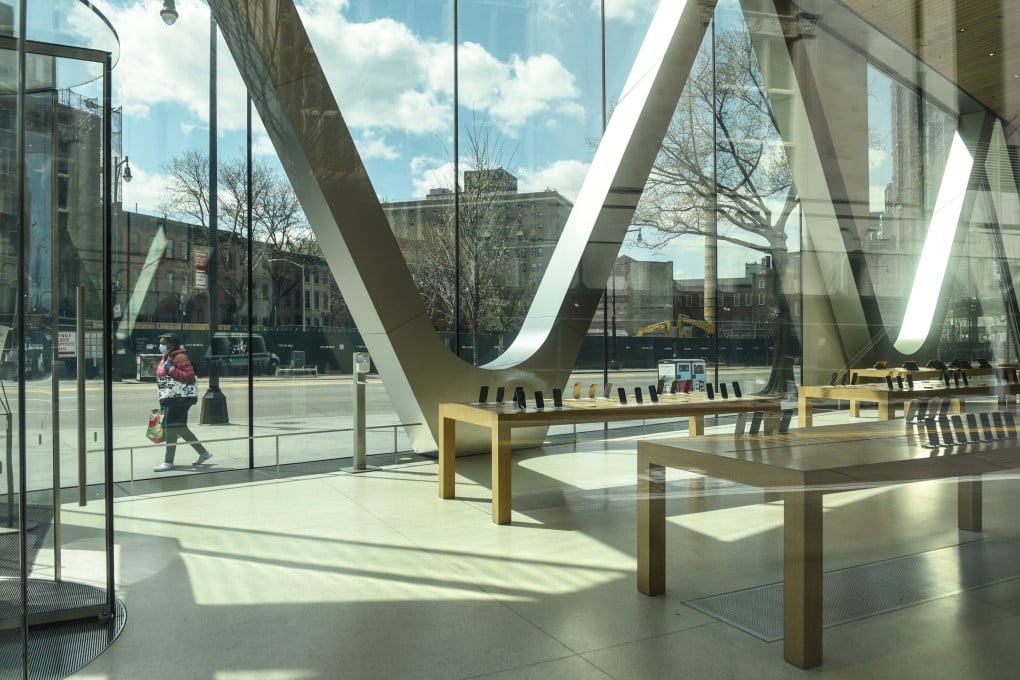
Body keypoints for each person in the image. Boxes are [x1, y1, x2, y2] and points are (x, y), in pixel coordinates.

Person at [153, 333, 212, 472]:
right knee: (179, 428)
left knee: (171, 428)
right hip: (170, 398)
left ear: (171, 345)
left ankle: (168, 462)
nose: (160, 345)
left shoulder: (180, 357)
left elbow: (189, 376)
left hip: (179, 399)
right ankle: (203, 453)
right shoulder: (167, 357)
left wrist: (170, 369)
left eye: (163, 343)